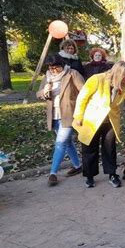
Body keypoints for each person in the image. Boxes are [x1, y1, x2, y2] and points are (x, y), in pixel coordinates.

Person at [36, 54, 85, 186]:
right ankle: (77, 165)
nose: (53, 71)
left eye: (55, 67)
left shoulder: (72, 74)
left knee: (60, 143)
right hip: (54, 114)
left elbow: (84, 91)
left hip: (69, 113)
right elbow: (38, 93)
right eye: (51, 68)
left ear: (61, 65)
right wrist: (44, 91)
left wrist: (80, 109)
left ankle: (53, 173)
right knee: (67, 142)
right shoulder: (47, 77)